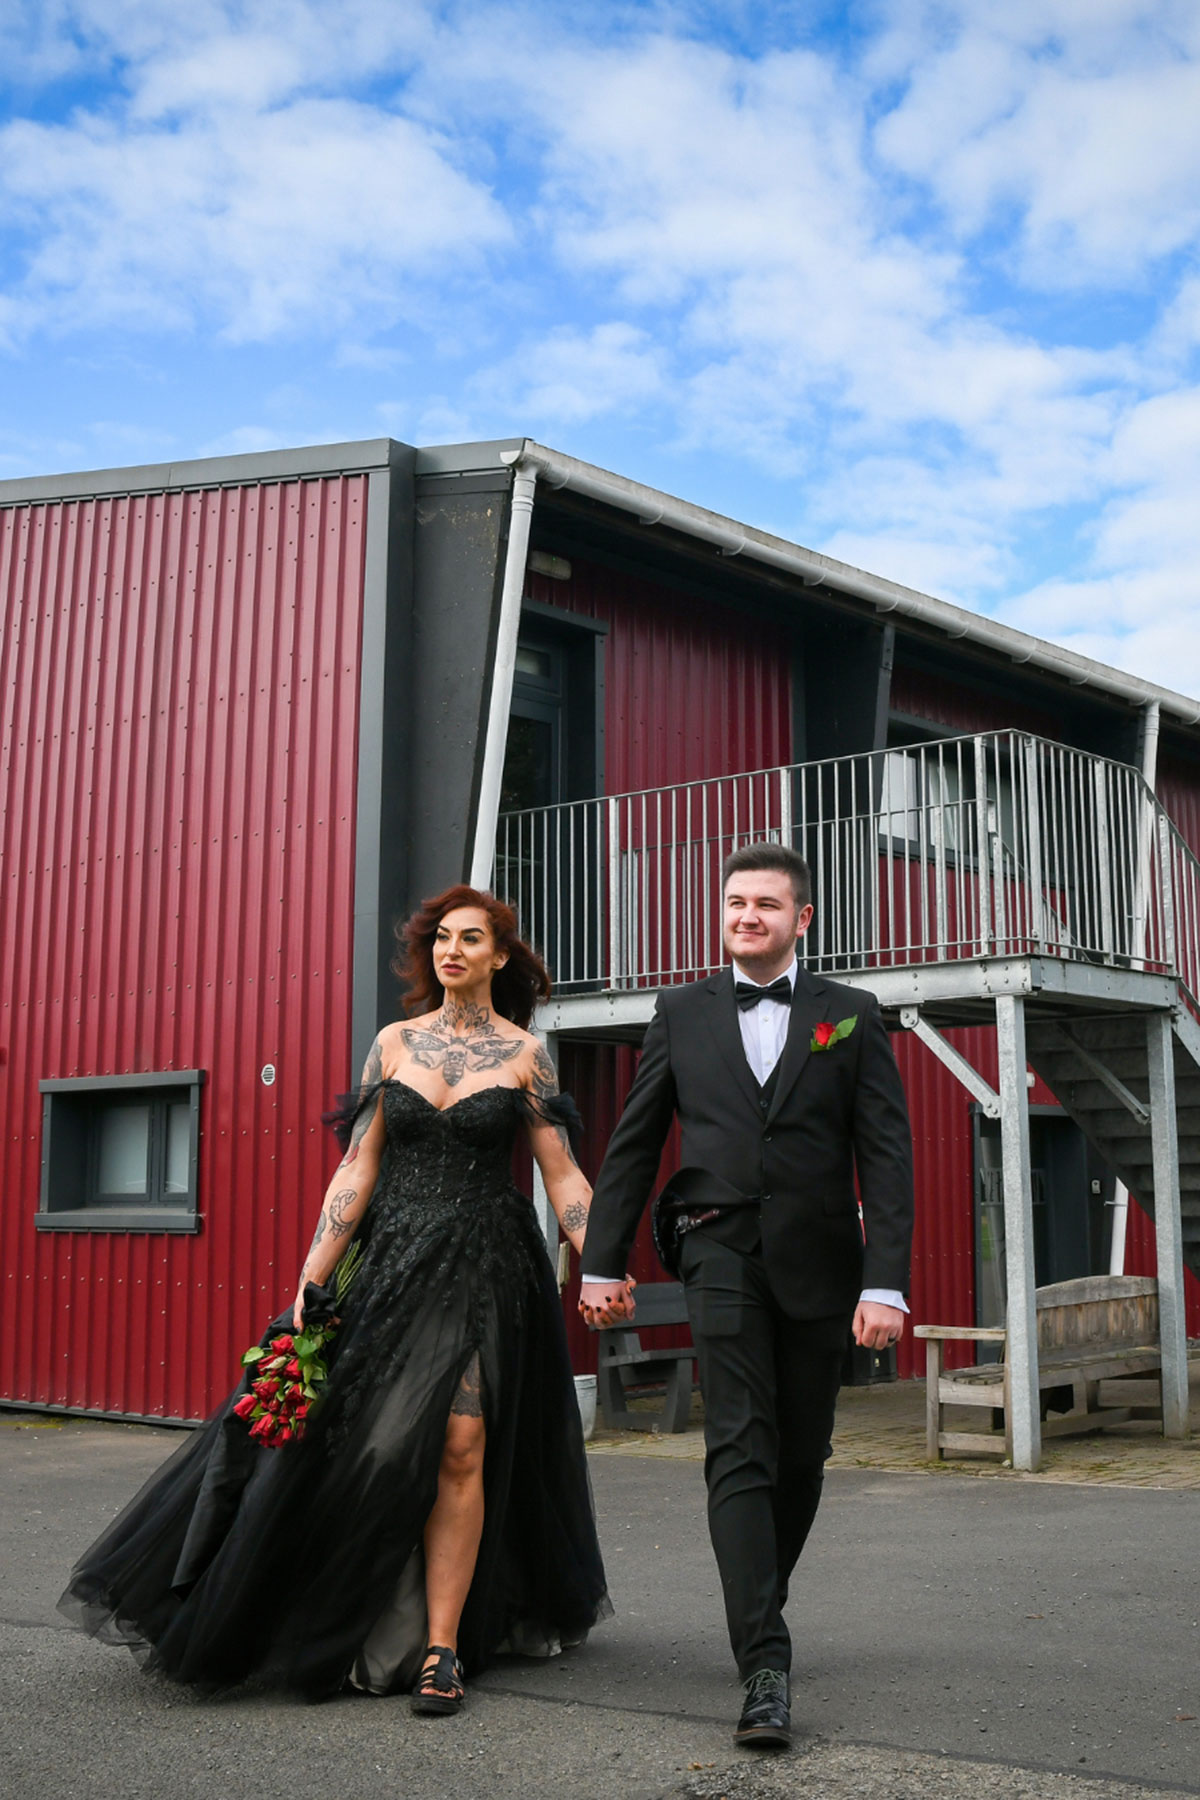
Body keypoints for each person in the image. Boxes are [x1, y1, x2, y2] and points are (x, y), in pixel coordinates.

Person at [59, 885, 610, 1709]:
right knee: (377, 1444)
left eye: (469, 939)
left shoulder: (525, 1055)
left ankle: (442, 1649)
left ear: (500, 955)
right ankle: (340, 1607)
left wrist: (596, 1263)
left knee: (464, 1440)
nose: (450, 951)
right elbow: (359, 1165)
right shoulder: (391, 1045)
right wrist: (313, 1276)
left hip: (487, 1266)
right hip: (391, 1262)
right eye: (439, 940)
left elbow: (561, 1172)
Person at [579, 842, 913, 1749]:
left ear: (803, 919)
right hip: (718, 1248)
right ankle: (764, 1661)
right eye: (735, 902)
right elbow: (636, 1142)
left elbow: (885, 1153)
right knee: (738, 1445)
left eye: (767, 904)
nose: (747, 916)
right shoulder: (680, 1012)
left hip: (821, 1263)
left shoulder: (850, 1016)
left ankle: (758, 1594)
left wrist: (886, 1282)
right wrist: (602, 1261)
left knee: (802, 1456)